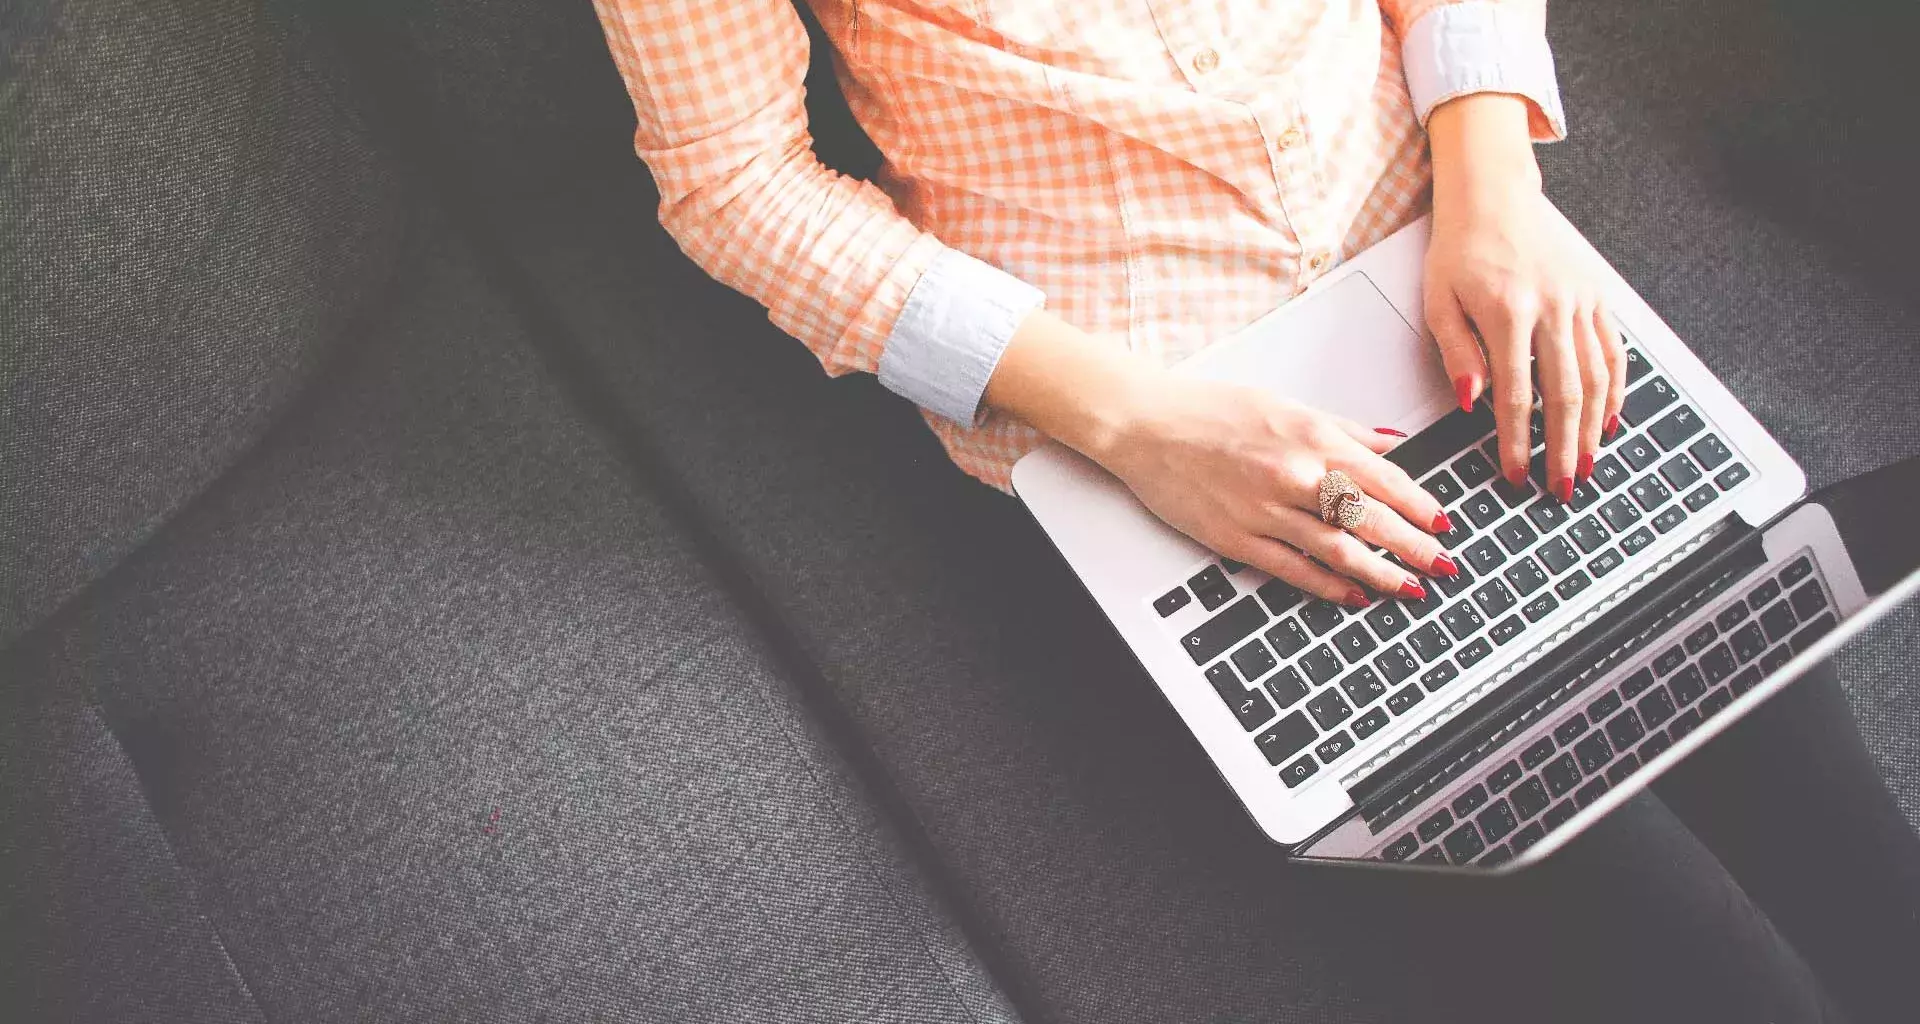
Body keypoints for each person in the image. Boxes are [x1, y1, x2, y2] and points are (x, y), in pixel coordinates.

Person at [591, 3, 1920, 1020]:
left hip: (1454, 262)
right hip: (1156, 421)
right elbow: (735, 181)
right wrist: (1138, 424)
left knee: (1850, 857)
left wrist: (1497, 188)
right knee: (1710, 969)